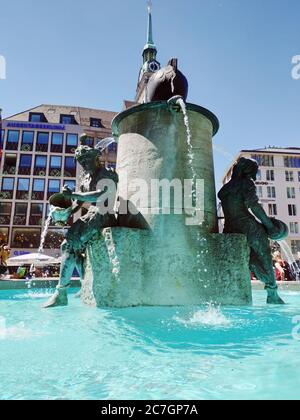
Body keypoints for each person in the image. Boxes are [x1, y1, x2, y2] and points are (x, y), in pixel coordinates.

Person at [43, 135, 118, 308]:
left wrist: (74, 194)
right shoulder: (85, 178)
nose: (84, 164)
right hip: (91, 214)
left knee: (68, 245)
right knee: (68, 246)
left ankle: (61, 293)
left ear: (95, 157)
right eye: (81, 161)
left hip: (104, 213)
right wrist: (67, 210)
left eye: (86, 160)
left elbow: (100, 195)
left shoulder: (106, 174)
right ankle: (83, 283)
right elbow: (79, 202)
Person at [218, 158, 285, 304]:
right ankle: (272, 292)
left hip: (230, 228)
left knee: (248, 258)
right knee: (265, 256)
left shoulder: (224, 189)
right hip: (248, 226)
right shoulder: (246, 183)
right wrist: (270, 226)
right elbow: (254, 206)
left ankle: (264, 282)